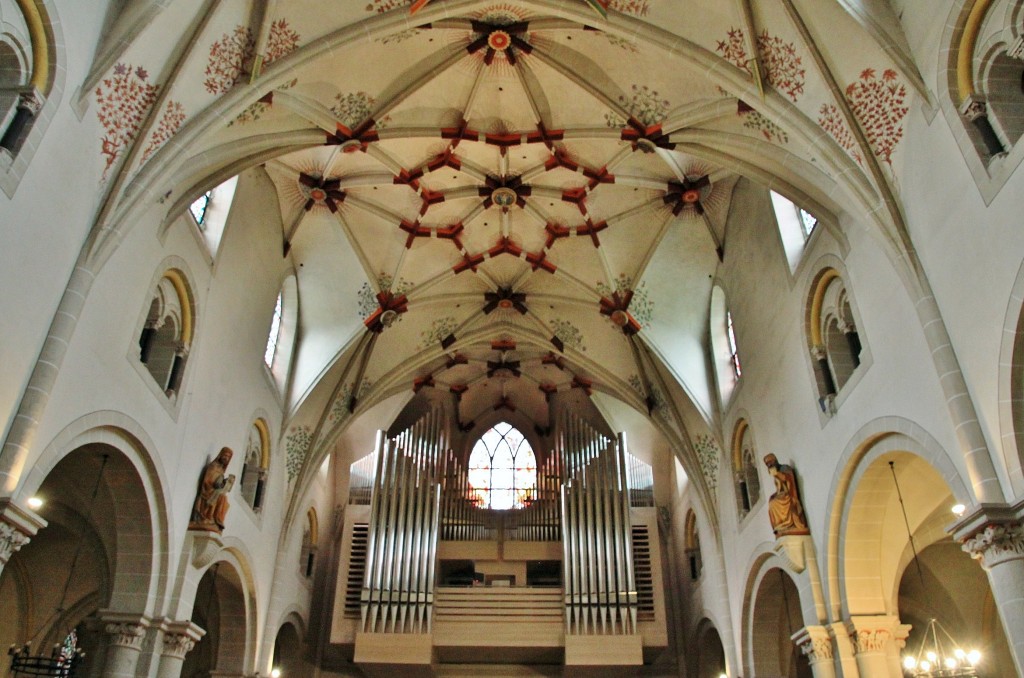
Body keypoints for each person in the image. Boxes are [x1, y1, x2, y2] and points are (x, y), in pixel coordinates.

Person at [190, 447, 235, 532]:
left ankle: (216, 520)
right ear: (220, 455)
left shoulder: (221, 470)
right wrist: (217, 484)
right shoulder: (213, 466)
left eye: (228, 457)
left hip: (215, 490)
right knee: (220, 496)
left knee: (224, 499)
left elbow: (218, 482)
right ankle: (208, 517)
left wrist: (225, 483)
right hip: (207, 491)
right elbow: (208, 480)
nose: (226, 458)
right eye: (225, 455)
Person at [763, 453, 809, 536]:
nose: (769, 465)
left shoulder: (784, 468)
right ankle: (780, 525)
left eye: (770, 462)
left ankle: (788, 523)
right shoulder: (775, 473)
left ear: (775, 460)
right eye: (767, 464)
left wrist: (777, 473)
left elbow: (788, 479)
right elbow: (779, 489)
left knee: (775, 503)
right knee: (771, 501)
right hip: (782, 494)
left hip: (789, 494)